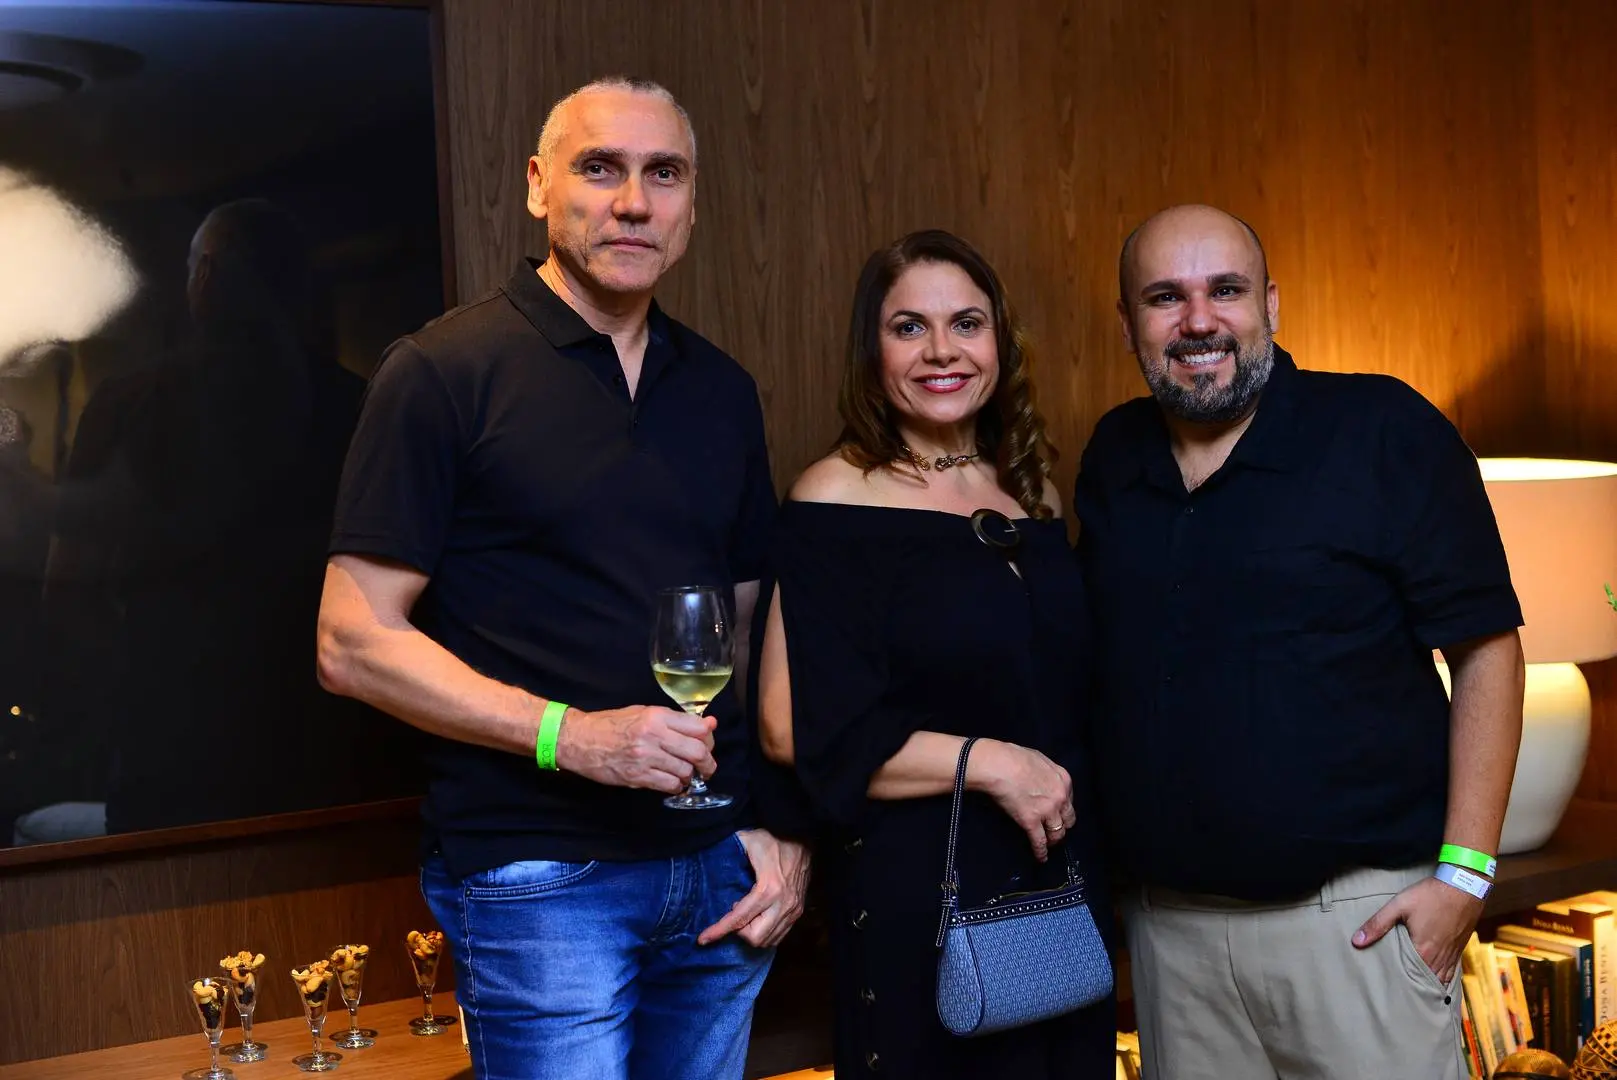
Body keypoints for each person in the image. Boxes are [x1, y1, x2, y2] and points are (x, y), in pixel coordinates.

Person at [315, 77, 810, 1080]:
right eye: (599, 168)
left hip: (716, 874)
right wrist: (570, 737)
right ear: (540, 186)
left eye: (663, 174)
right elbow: (351, 642)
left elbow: (748, 623)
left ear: (691, 205)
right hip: (542, 876)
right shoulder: (443, 371)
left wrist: (774, 822)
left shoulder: (721, 390)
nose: (633, 202)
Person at [1074, 203, 1526, 1080]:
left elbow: (1486, 650)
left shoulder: (1381, 428)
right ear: (1126, 323)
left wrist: (1464, 878)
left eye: (1225, 290)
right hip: (1170, 939)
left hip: (1356, 926)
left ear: (1270, 305)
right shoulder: (1113, 456)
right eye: (1165, 297)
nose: (1197, 320)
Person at [757, 229, 1116, 1078]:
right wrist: (991, 764)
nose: (942, 351)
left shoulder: (1030, 492)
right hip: (921, 889)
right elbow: (789, 726)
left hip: (1056, 874)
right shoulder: (835, 494)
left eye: (966, 323)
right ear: (871, 350)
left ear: (1000, 341)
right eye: (908, 327)